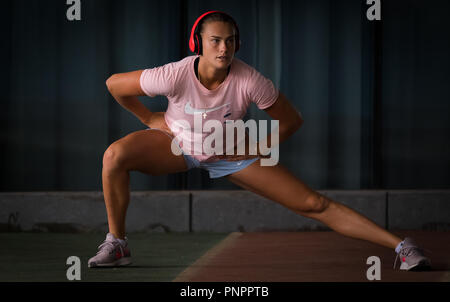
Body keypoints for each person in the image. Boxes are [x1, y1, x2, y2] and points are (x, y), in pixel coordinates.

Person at [88, 11, 431, 271]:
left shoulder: (250, 79)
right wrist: (149, 118)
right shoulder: (174, 74)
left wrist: (258, 146)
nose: (224, 48)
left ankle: (403, 247)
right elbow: (114, 84)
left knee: (313, 204)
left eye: (231, 41)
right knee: (115, 155)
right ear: (198, 44)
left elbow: (291, 120)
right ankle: (117, 243)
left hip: (229, 151)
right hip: (177, 143)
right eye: (215, 41)